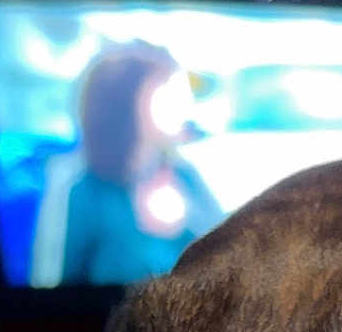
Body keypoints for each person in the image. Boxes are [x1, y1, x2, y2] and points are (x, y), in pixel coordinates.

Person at [30, 44, 222, 287]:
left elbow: (228, 259)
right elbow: (51, 288)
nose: (182, 104)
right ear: (126, 101)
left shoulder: (184, 176)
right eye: (166, 89)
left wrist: (185, 225)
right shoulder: (79, 186)